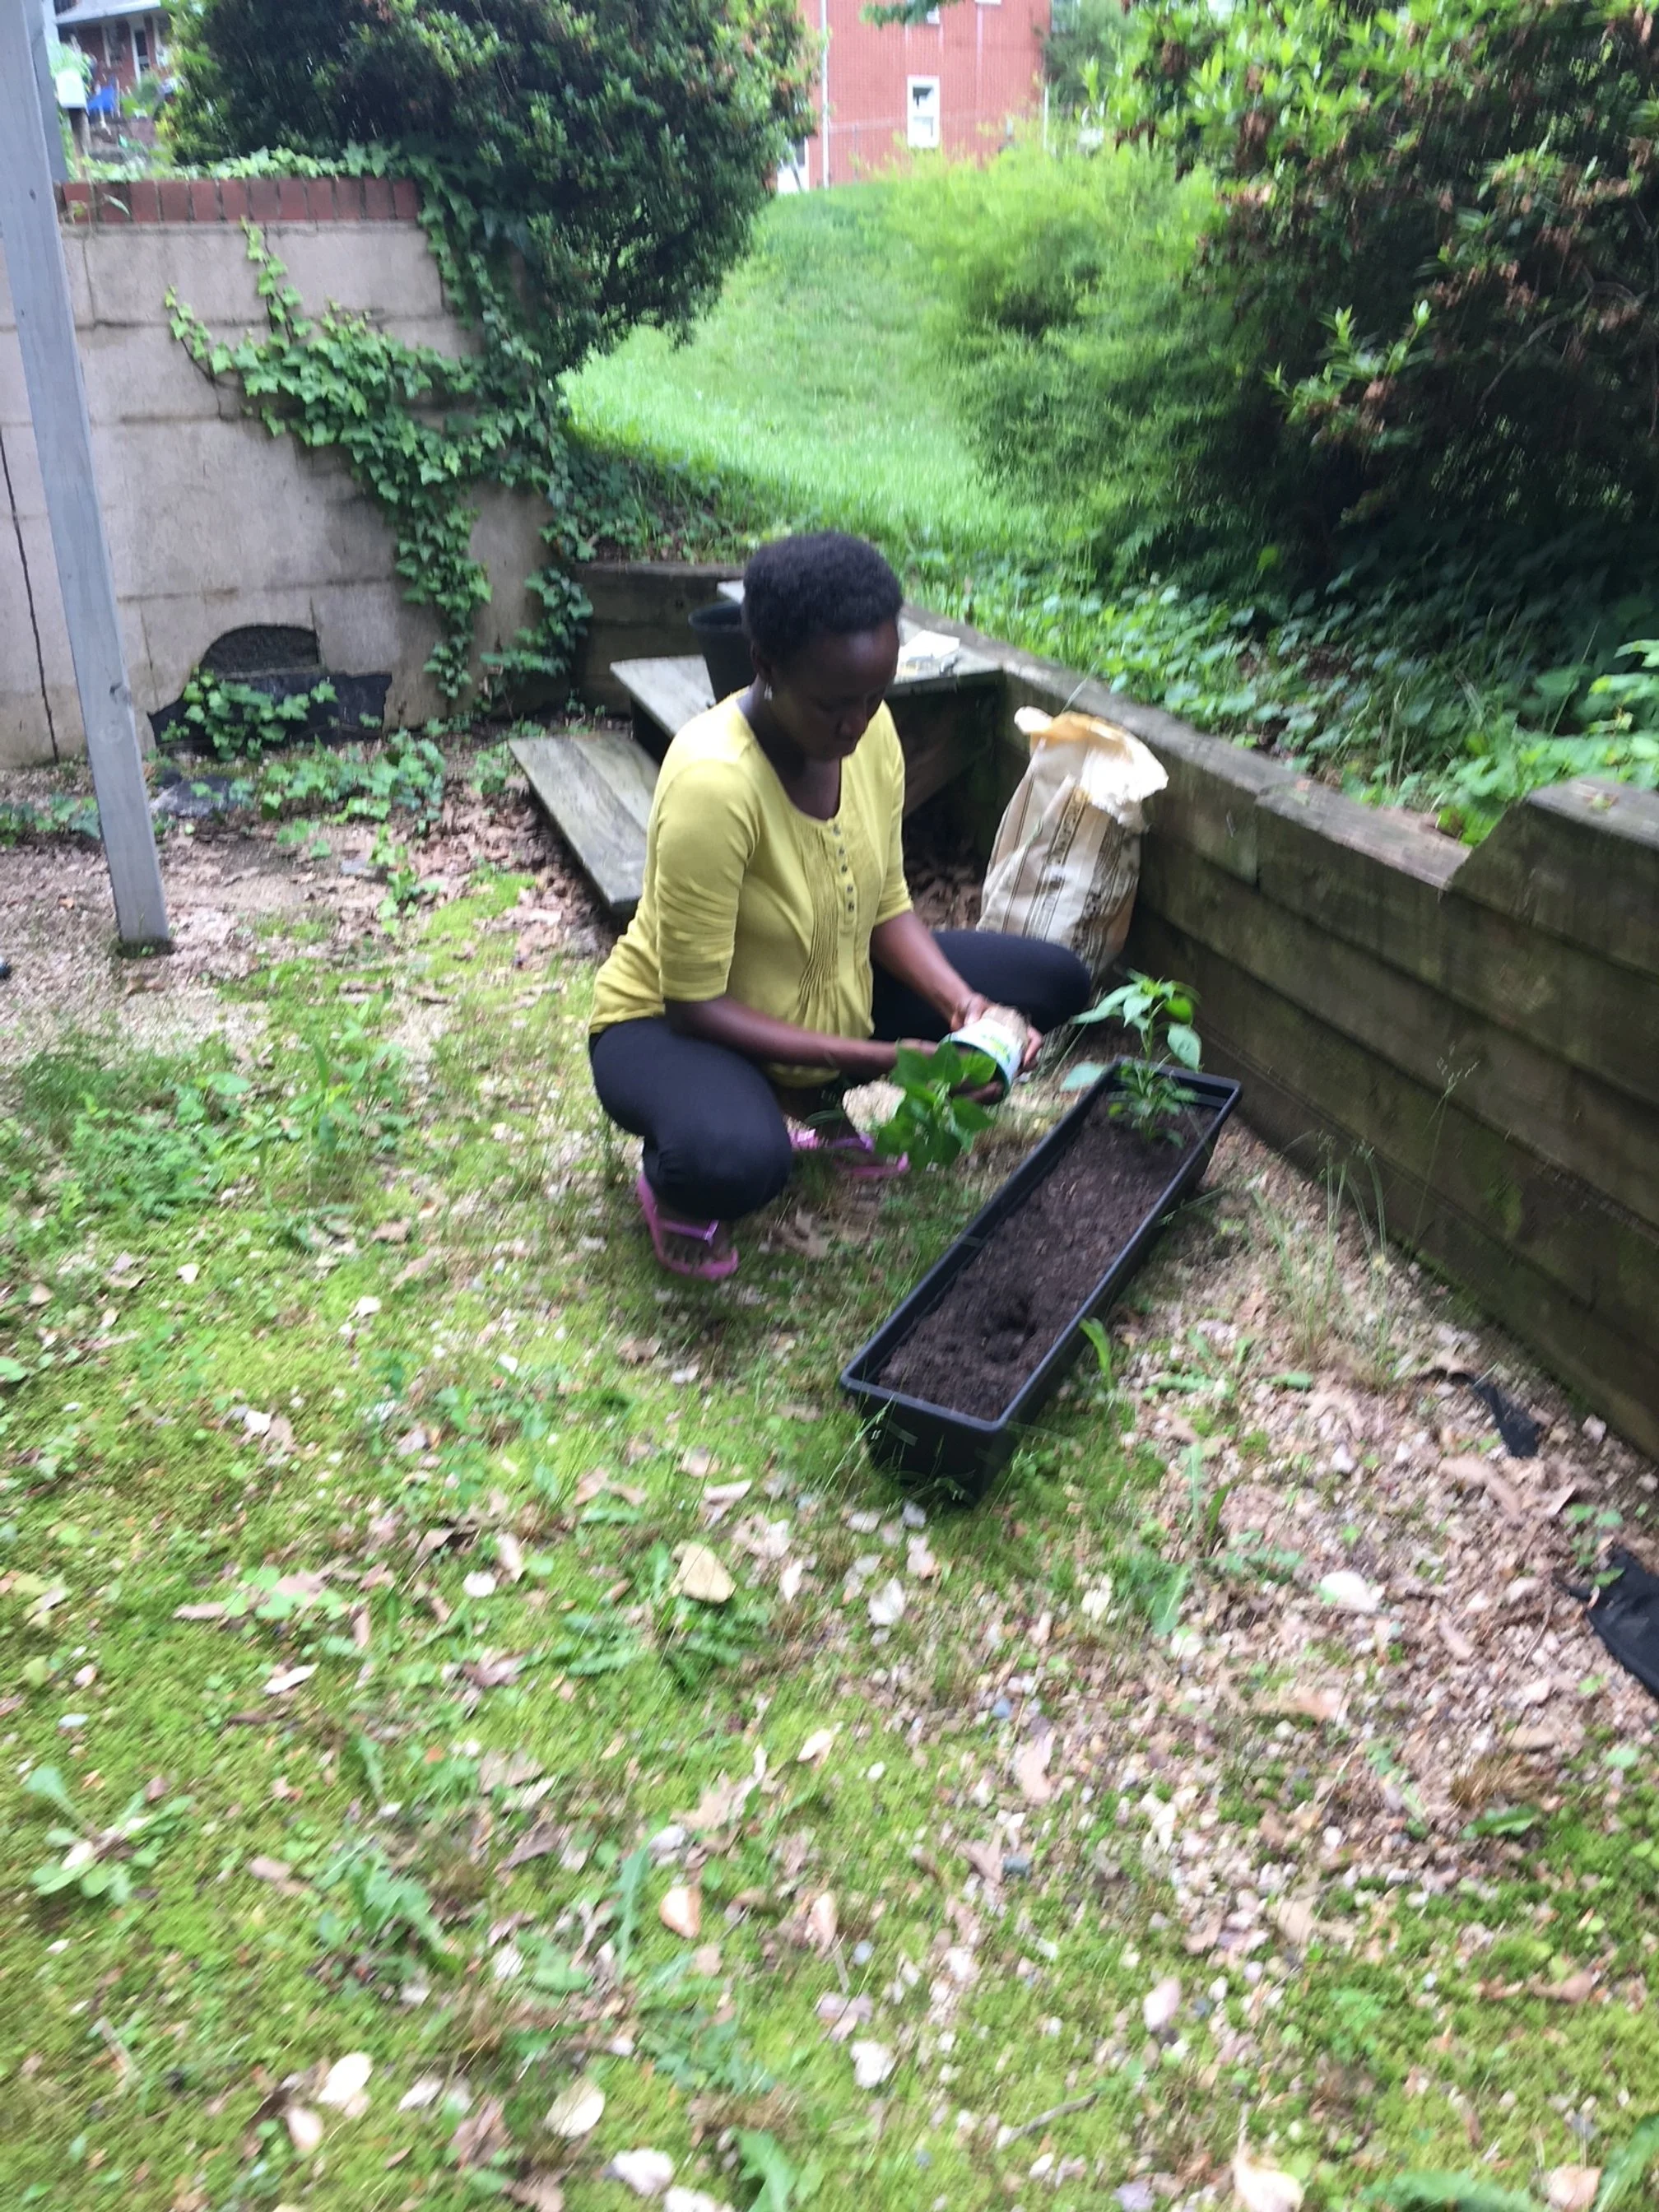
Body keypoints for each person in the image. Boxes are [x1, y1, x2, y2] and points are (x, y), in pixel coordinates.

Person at [588, 532, 1091, 1277]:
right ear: (767, 668)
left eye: (873, 696)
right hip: (675, 1024)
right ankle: (687, 1177)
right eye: (834, 706)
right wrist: (893, 1060)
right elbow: (695, 1002)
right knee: (735, 1163)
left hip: (823, 988)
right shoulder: (713, 783)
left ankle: (812, 1104)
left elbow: (885, 901)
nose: (858, 724)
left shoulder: (869, 729)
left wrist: (964, 1008)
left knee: (1053, 983)